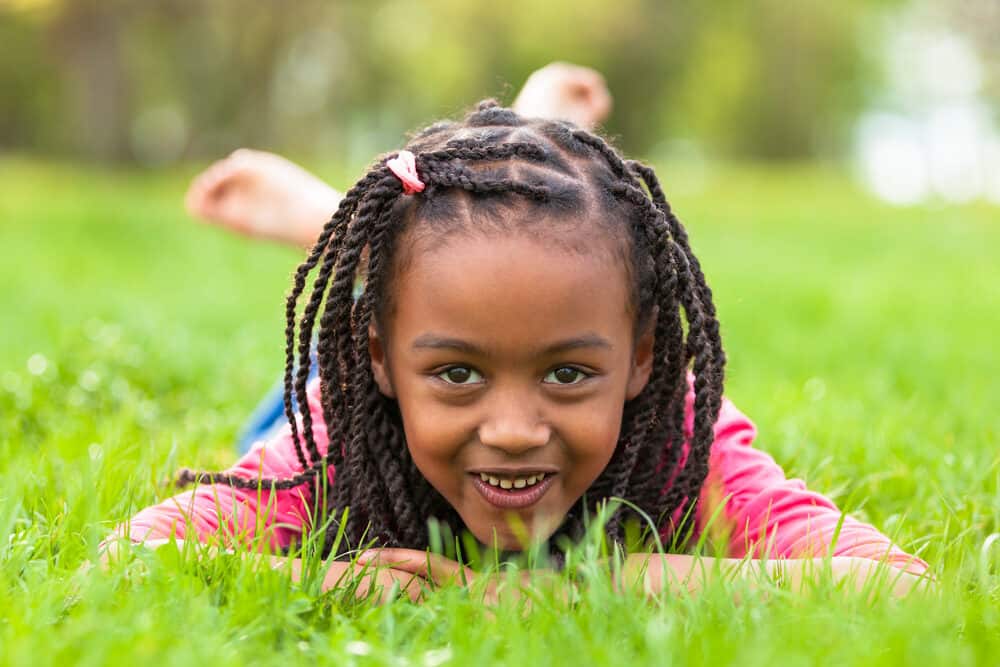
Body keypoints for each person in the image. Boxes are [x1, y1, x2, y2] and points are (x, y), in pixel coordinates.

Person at [107, 80, 930, 603]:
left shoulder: (678, 435)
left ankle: (478, 194)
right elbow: (133, 557)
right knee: (432, 281)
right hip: (345, 381)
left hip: (427, 333)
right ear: (383, 363)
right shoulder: (338, 435)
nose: (511, 428)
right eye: (459, 373)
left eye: (568, 373)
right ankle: (364, 246)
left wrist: (620, 582)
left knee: (483, 273)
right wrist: (331, 579)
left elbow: (902, 588)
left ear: (643, 356)